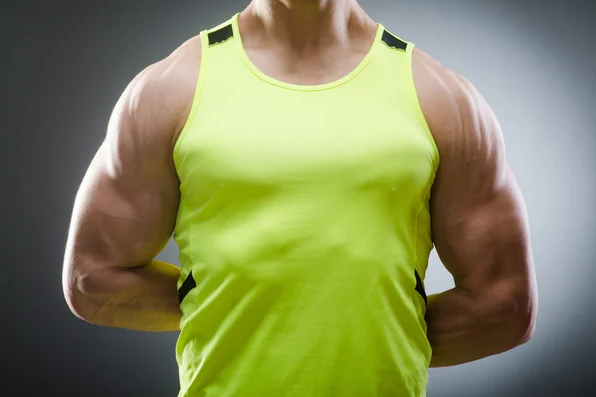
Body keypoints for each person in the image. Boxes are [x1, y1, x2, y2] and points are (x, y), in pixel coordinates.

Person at [62, 1, 538, 396]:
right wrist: (232, 304)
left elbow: (504, 306)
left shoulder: (441, 98)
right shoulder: (169, 91)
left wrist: (374, 327)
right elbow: (93, 279)